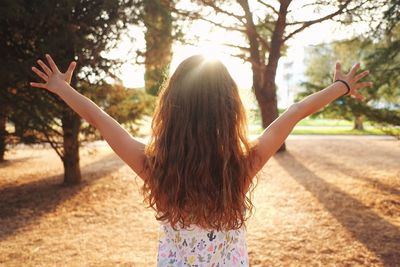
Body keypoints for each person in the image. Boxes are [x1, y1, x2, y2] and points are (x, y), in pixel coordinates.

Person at [31, 54, 372, 266]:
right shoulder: (241, 166)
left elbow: (105, 123)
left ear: (170, 109)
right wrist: (339, 87)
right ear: (229, 110)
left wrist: (63, 89)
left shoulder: (155, 168)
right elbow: (294, 113)